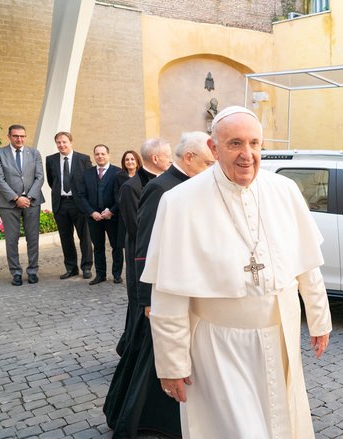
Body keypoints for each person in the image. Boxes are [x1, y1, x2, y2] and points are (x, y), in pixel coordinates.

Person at [142, 106, 332, 438]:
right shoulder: (180, 202)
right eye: (235, 144)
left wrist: (319, 318)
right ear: (213, 149)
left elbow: (307, 265)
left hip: (279, 336)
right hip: (218, 347)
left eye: (255, 144)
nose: (248, 155)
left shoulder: (284, 191)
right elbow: (169, 293)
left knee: (282, 426)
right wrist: (172, 363)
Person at [104, 131, 215, 439]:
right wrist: (146, 298)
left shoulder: (191, 184)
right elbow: (145, 245)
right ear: (189, 158)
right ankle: (142, 419)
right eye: (208, 162)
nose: (212, 168)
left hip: (184, 288)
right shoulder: (161, 188)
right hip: (160, 293)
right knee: (150, 359)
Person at [115, 139, 172, 355]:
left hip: (156, 253)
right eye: (167, 155)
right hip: (140, 255)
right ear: (155, 158)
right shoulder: (131, 187)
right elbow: (135, 228)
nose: (170, 159)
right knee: (138, 305)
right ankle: (130, 350)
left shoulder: (163, 181)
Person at [0, 125, 45, 286]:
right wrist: (16, 198)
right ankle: (16, 272)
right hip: (8, 203)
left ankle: (32, 271)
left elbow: (40, 177)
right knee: (11, 239)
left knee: (33, 238)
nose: (20, 139)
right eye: (16, 136)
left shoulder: (34, 153)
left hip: (32, 202)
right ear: (9, 136)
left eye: (22, 136)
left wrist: (28, 196)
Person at [46, 132, 94, 280]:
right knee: (65, 237)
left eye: (64, 142)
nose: (61, 145)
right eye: (58, 142)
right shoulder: (51, 159)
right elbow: (51, 180)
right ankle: (71, 268)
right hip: (61, 203)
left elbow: (89, 182)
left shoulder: (83, 159)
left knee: (84, 237)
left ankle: (86, 267)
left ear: (71, 142)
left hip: (78, 203)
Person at [75, 144, 123, 285]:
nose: (100, 156)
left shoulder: (118, 172)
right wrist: (91, 212)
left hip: (112, 216)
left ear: (108, 155)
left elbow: (121, 196)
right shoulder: (87, 173)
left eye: (103, 154)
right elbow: (81, 195)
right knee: (98, 247)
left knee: (116, 246)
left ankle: (116, 274)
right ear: (94, 156)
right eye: (97, 154)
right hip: (94, 217)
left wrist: (111, 211)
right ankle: (100, 274)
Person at [113, 150, 142, 253]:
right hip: (126, 215)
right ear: (124, 162)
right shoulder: (118, 176)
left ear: (137, 161)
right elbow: (116, 195)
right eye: (127, 159)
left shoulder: (143, 175)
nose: (130, 161)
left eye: (132, 159)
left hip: (141, 213)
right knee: (128, 245)